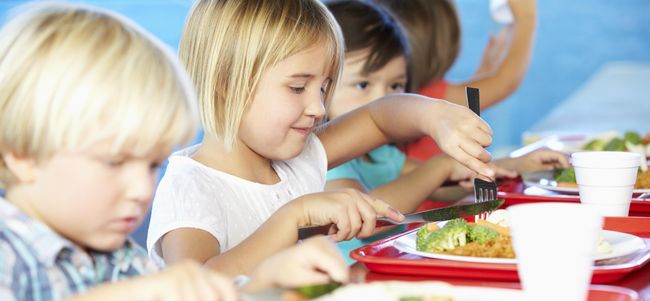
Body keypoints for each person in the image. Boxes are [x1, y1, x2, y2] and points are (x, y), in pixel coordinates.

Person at [0, 3, 348, 301]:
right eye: (114, 161)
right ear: (23, 155)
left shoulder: (121, 262)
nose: (141, 190)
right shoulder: (9, 254)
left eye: (151, 164)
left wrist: (267, 290)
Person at [147, 0, 495, 276]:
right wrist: (294, 216)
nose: (317, 106)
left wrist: (434, 116)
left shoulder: (298, 159)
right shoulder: (191, 187)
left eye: (324, 87)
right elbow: (196, 287)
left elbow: (379, 118)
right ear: (225, 81)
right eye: (298, 87)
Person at [324, 0, 569, 260]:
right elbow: (369, 216)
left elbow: (439, 186)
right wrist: (441, 166)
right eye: (363, 85)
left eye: (395, 86)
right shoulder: (327, 161)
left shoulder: (381, 154)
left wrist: (510, 166)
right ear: (322, 84)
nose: (382, 98)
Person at [374, 0, 537, 161]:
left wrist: (485, 71)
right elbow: (505, 84)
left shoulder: (400, 98)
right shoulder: (429, 98)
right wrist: (526, 18)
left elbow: (472, 100)